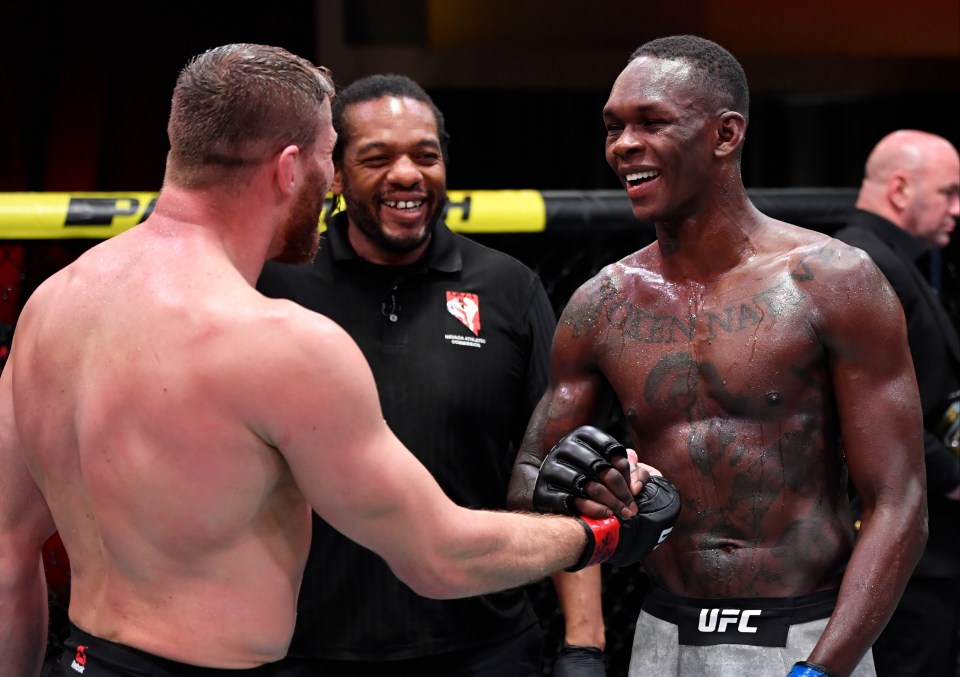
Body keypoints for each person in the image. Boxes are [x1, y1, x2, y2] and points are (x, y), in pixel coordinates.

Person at [0, 43, 666, 677]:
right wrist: (601, 534)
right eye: (328, 160)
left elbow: (7, 551)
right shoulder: (275, 338)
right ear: (290, 168)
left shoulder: (52, 306)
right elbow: (437, 554)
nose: (328, 187)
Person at [507, 35, 928, 677]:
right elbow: (529, 480)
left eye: (651, 122)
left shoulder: (835, 281)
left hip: (809, 632)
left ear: (725, 135)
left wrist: (824, 669)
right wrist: (595, 503)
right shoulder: (602, 303)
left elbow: (900, 502)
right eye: (613, 126)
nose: (623, 145)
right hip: (661, 634)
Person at [255, 73, 557, 676]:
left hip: (483, 645)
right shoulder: (273, 284)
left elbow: (558, 466)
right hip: (306, 646)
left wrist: (585, 643)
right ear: (336, 174)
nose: (406, 175)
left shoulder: (508, 288)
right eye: (377, 158)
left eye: (426, 155)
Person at [832, 129, 960, 677]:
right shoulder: (865, 264)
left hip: (923, 539)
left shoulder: (894, 261)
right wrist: (953, 475)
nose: (958, 208)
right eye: (949, 193)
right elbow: (874, 412)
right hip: (904, 546)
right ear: (902, 189)